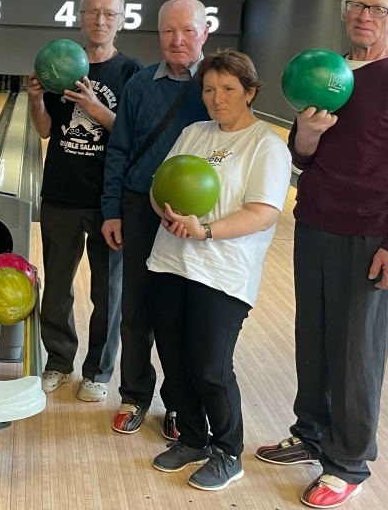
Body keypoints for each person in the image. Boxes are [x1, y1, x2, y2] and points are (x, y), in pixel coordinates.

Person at [255, 0, 388, 509]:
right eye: (358, 5)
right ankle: (310, 433)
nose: (365, 15)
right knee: (313, 338)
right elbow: (303, 158)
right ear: (344, 11)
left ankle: (349, 462)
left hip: (371, 235)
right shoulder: (325, 74)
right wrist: (307, 136)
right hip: (316, 224)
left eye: (379, 9)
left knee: (357, 351)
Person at [144, 50, 292, 492]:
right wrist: (167, 213)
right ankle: (193, 439)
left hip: (223, 273)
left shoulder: (267, 145)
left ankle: (228, 452)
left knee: (209, 367)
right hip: (171, 262)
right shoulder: (193, 133)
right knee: (174, 360)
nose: (216, 98)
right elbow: (159, 186)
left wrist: (205, 230)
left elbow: (263, 214)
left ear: (250, 92)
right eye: (209, 89)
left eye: (228, 88)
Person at [101, 0, 211, 438]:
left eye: (188, 31)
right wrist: (112, 209)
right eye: (168, 31)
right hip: (139, 208)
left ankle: (179, 403)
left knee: (184, 313)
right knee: (136, 308)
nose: (177, 40)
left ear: (205, 33)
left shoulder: (217, 86)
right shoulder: (141, 84)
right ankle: (134, 395)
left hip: (196, 216)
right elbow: (119, 150)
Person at [27, 0, 143, 402]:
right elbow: (45, 130)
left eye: (109, 13)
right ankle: (59, 362)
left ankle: (98, 371)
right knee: (57, 287)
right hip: (60, 193)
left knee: (107, 292)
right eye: (92, 12)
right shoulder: (60, 64)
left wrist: (97, 109)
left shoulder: (132, 73)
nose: (100, 20)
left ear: (121, 20)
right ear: (80, 18)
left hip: (108, 201)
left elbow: (134, 136)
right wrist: (36, 100)